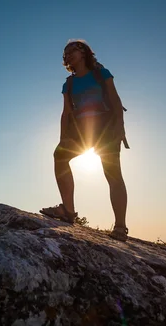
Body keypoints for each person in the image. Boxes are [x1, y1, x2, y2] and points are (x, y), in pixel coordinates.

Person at [40, 40, 129, 241]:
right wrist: (63, 137)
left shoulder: (101, 73)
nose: (68, 54)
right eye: (65, 52)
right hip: (81, 132)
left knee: (113, 174)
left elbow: (115, 100)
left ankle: (120, 227)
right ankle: (68, 211)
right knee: (59, 156)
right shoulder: (69, 83)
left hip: (105, 128)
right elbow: (66, 113)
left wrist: (120, 128)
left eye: (73, 50)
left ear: (84, 53)